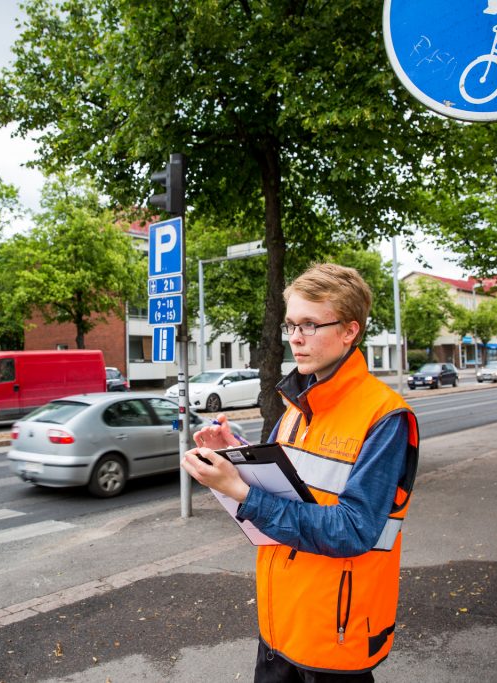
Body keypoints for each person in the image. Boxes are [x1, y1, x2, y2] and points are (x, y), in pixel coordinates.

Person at [181, 263, 419, 682]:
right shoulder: (296, 405)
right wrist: (232, 453)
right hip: (279, 625)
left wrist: (241, 492)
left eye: (310, 325)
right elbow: (289, 484)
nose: (295, 338)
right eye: (291, 324)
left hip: (334, 634)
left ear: (350, 331)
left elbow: (352, 530)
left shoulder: (385, 416)